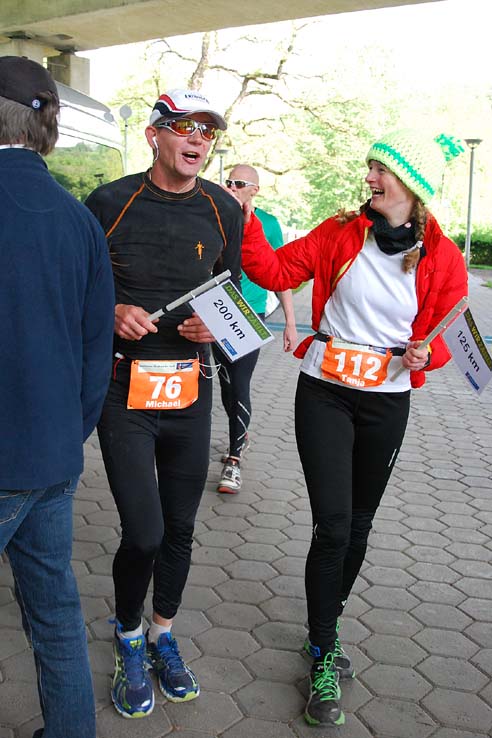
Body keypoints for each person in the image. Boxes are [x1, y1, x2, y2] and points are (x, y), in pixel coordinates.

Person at [239, 129, 467, 727]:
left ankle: (328, 624)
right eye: (370, 168)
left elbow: (445, 330)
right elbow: (274, 269)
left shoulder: (443, 255)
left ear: (411, 185)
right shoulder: (341, 232)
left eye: (380, 170)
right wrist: (247, 219)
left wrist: (426, 355)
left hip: (387, 400)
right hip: (326, 392)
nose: (369, 178)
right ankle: (322, 653)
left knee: (360, 524)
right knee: (334, 526)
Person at [85, 89, 243, 719]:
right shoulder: (109, 202)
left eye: (207, 130)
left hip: (189, 388)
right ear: (155, 135)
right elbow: (76, 285)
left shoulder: (223, 208)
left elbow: (229, 289)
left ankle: (161, 635)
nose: (197, 139)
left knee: (180, 528)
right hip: (124, 390)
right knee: (144, 532)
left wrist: (216, 324)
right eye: (184, 126)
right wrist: (111, 311)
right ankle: (127, 634)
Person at [0, 56, 115, 738]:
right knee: (56, 614)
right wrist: (67, 436)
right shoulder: (79, 221)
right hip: (53, 456)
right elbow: (97, 352)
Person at [212, 164, 298, 493]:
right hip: (217, 311)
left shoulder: (269, 224)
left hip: (249, 313)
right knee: (225, 384)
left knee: (239, 383)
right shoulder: (216, 215)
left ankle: (234, 461)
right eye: (229, 182)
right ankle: (241, 436)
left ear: (254, 190)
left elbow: (280, 273)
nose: (232, 187)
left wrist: (290, 322)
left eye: (239, 183)